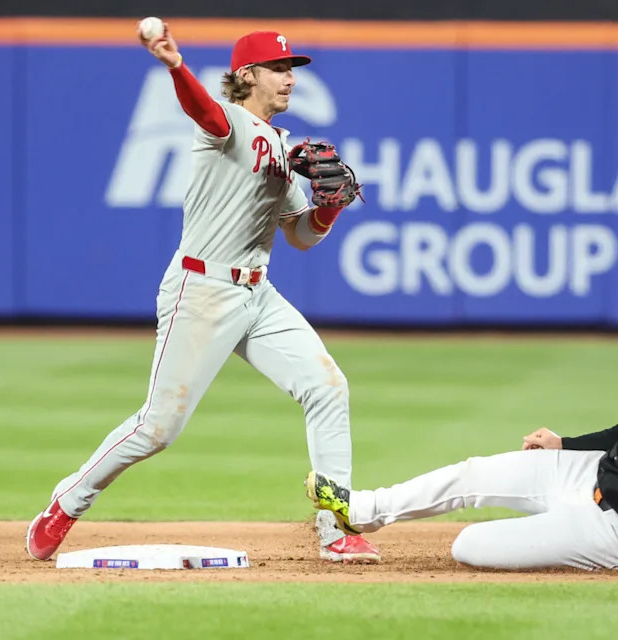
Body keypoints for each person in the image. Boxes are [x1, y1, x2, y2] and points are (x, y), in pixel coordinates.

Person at [26, 25, 380, 564]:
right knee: (158, 428)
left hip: (258, 293)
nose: (290, 78)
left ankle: (337, 528)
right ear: (246, 76)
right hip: (202, 289)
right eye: (279, 68)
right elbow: (204, 112)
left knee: (328, 387)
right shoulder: (228, 122)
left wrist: (329, 205)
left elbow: (301, 236)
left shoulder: (285, 148)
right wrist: (174, 65)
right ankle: (68, 501)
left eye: (292, 69)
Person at [305, 289, 618, 576]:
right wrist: (566, 445)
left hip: (616, 535)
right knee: (474, 472)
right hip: (591, 477)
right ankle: (362, 510)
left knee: (469, 546)